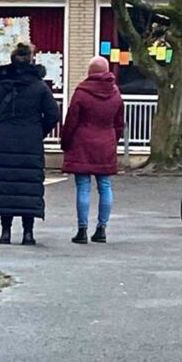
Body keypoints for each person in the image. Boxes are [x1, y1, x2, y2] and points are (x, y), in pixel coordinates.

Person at [0, 42, 60, 246]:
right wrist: (38, 131)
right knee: (28, 186)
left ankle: (5, 232)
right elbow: (53, 114)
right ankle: (28, 233)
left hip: (4, 138)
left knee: (4, 185)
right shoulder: (40, 87)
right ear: (32, 59)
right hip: (30, 140)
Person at [60, 57, 124, 244]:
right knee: (105, 185)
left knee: (83, 186)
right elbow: (119, 123)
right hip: (106, 143)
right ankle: (102, 228)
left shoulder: (81, 93)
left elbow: (71, 121)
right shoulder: (115, 94)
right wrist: (113, 139)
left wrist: (65, 143)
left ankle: (82, 230)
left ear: (90, 71)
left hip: (82, 143)